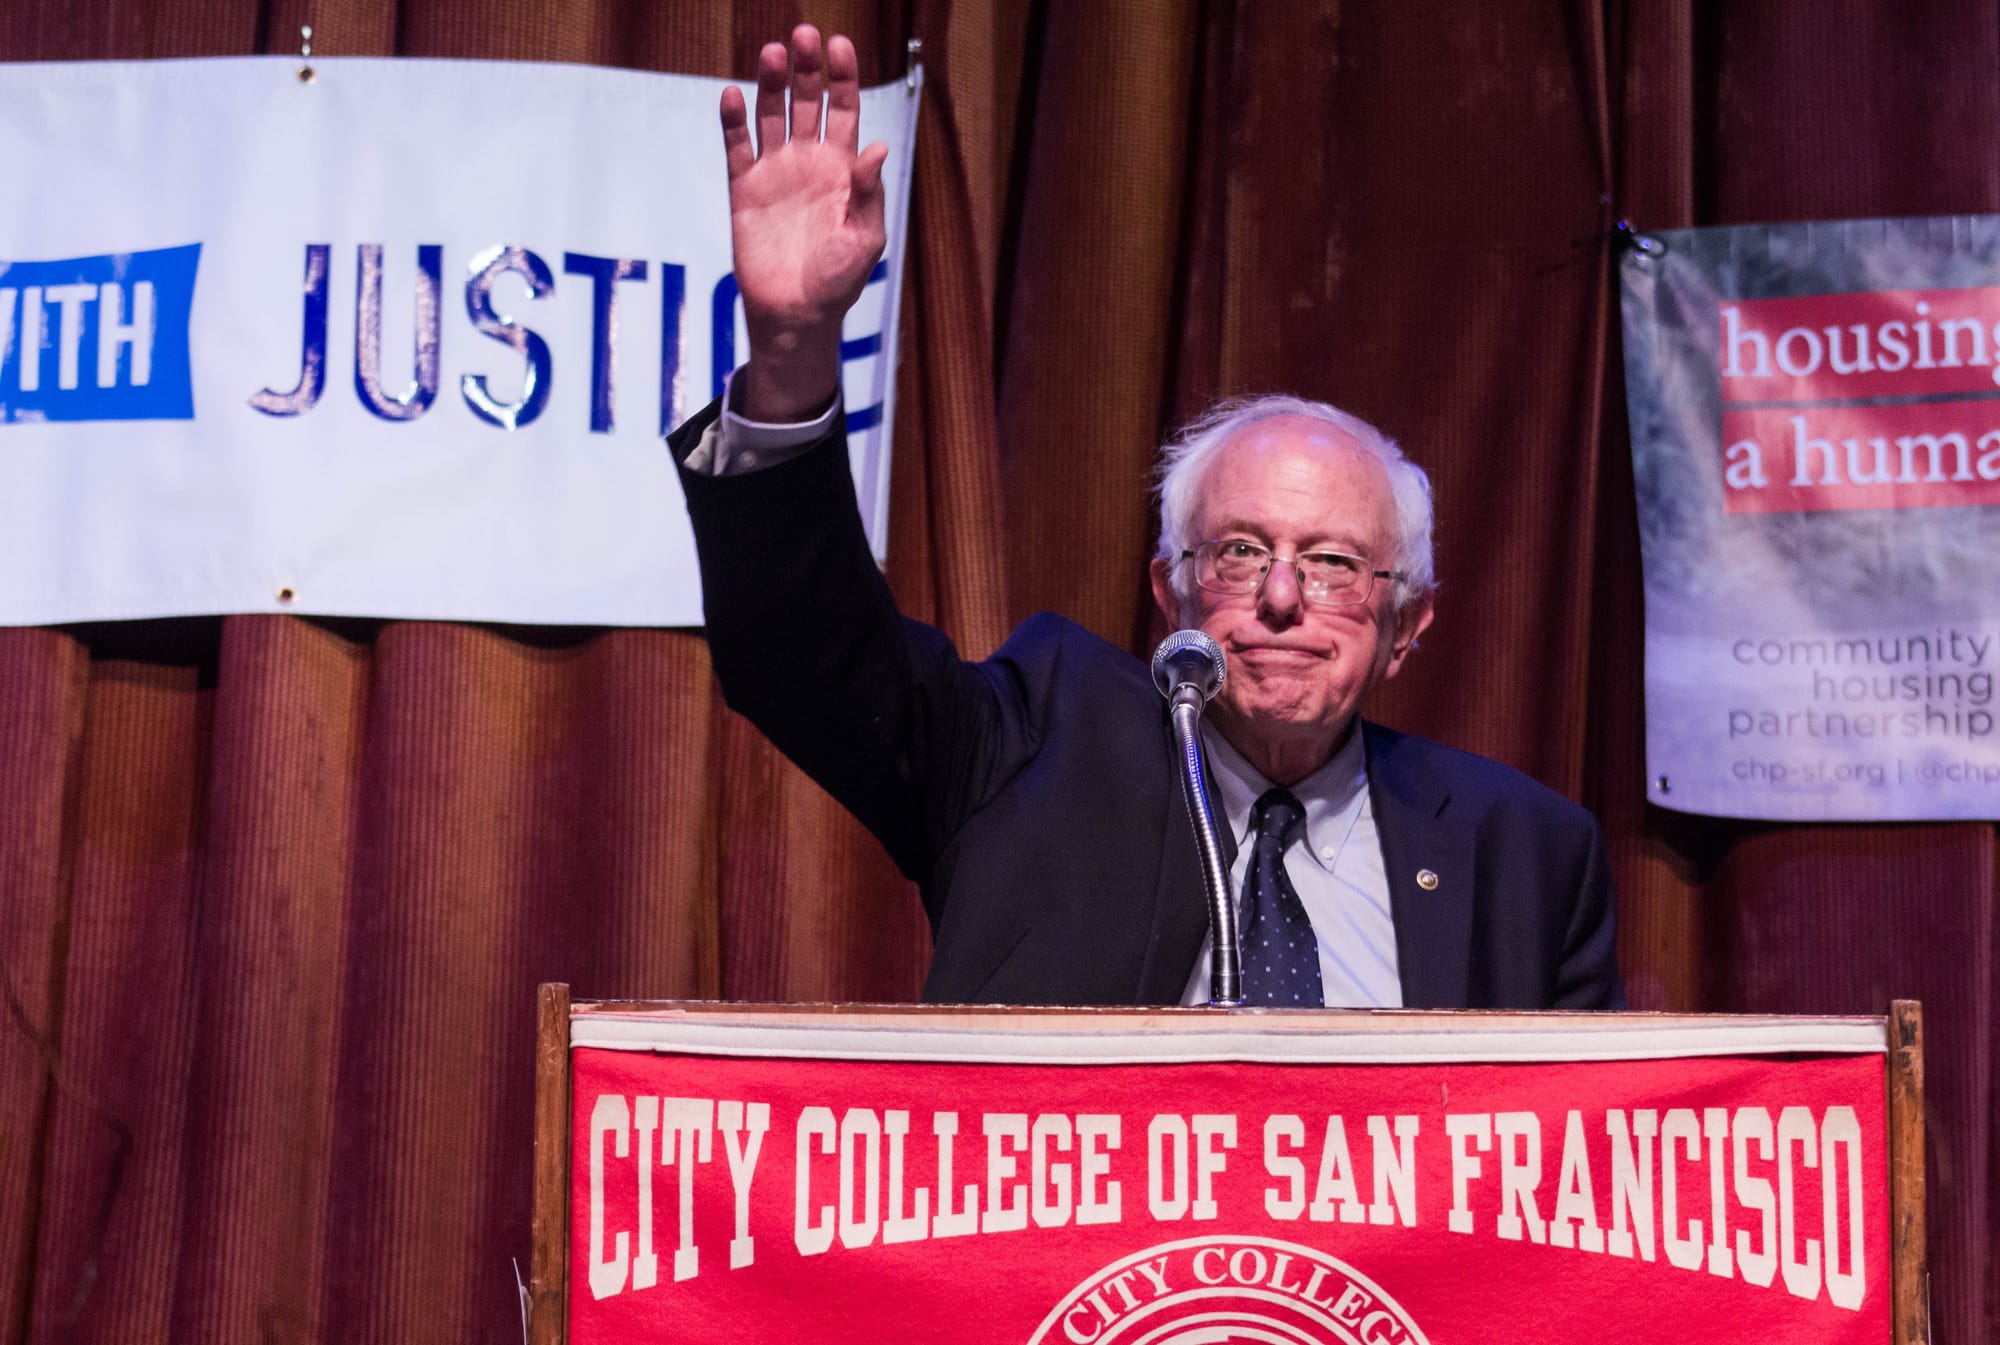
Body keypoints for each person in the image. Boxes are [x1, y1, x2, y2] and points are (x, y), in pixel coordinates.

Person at [669, 25, 1624, 1010]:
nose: (1282, 598)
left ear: (1405, 623)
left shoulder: (1526, 853)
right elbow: (801, 652)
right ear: (1169, 589)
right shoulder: (1030, 752)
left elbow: (1583, 1149)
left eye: (1332, 562)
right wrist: (790, 352)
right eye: (1240, 552)